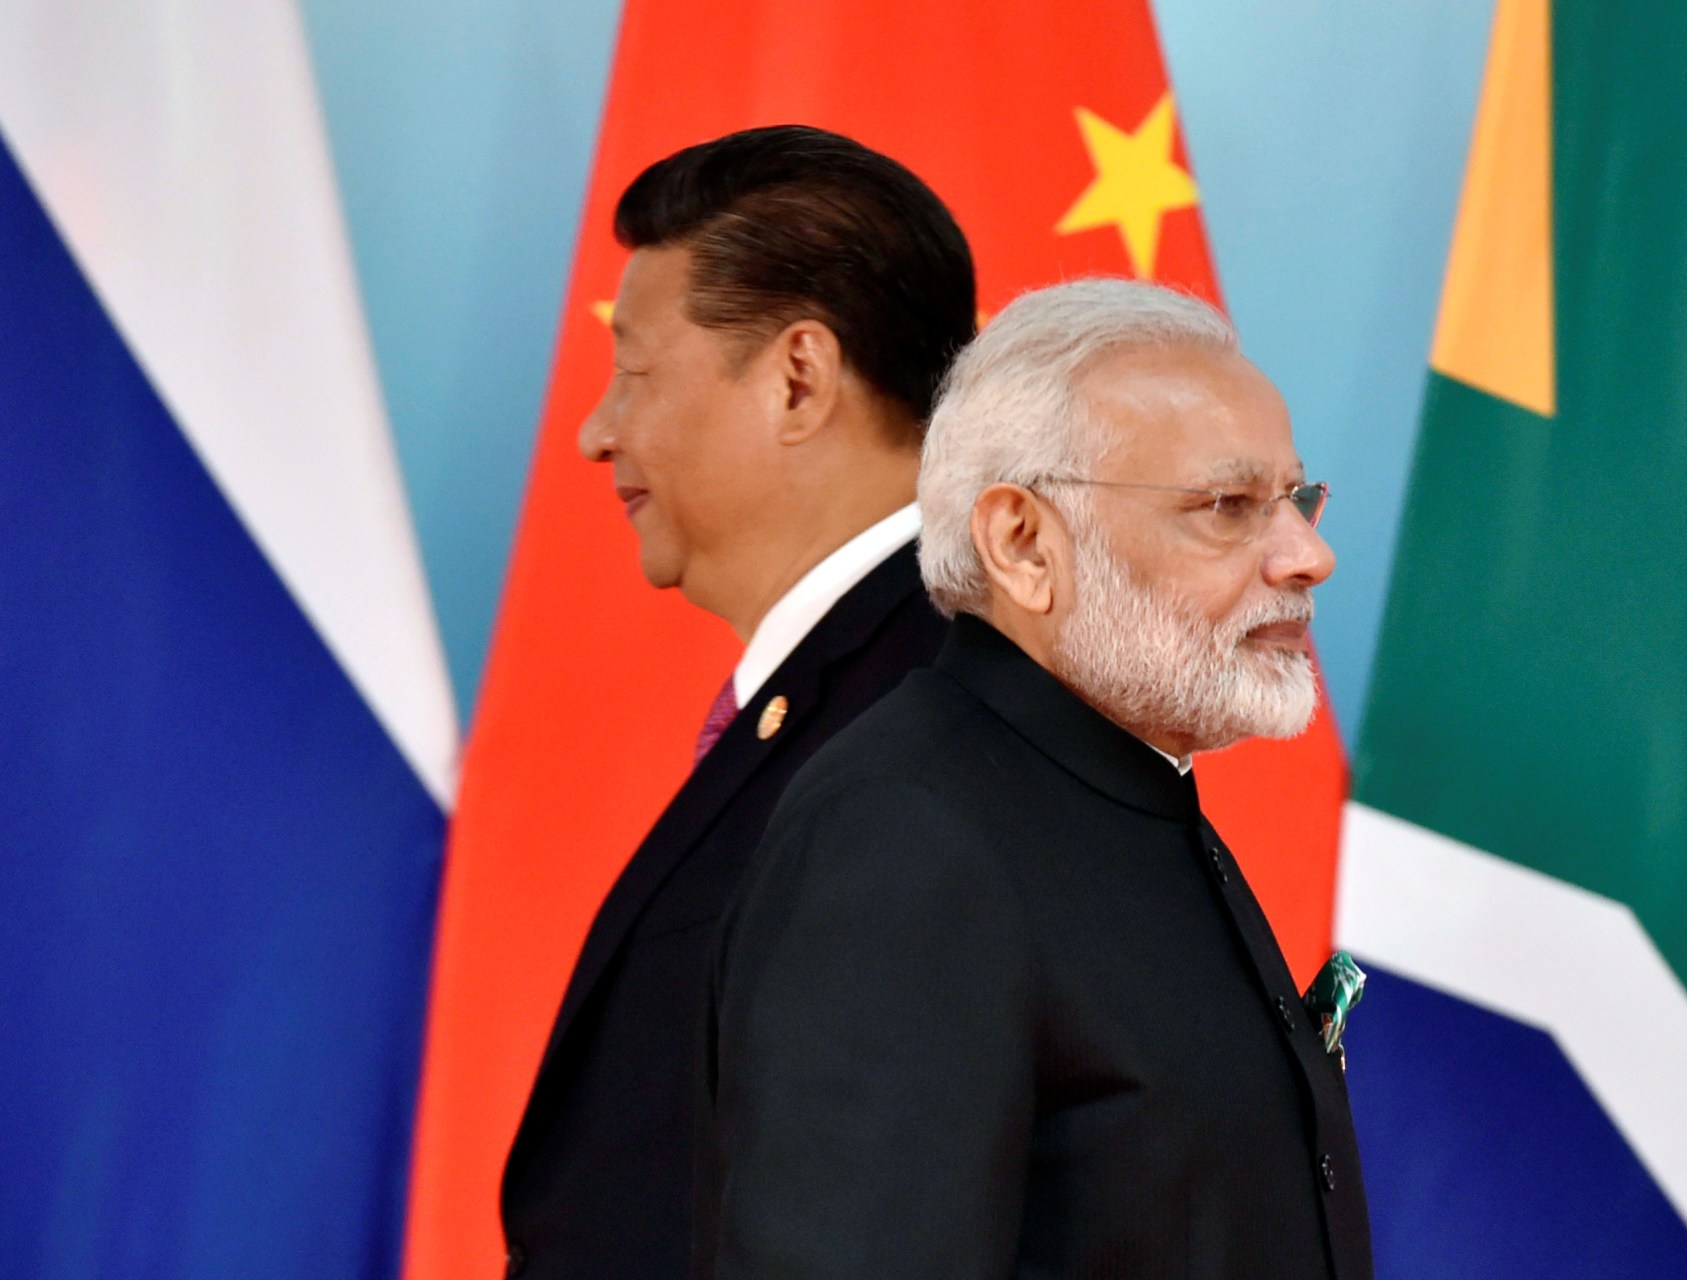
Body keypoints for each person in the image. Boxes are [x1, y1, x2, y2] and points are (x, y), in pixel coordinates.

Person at [698, 278, 1373, 1279]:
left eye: (1294, 499)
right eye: (1229, 506)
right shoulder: (904, 838)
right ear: (1021, 543)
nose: (1308, 553)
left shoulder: (1116, 792)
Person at [499, 125, 976, 1278]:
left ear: (799, 378)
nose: (594, 428)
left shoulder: (924, 727)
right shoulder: (877, 688)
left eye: (637, 371)